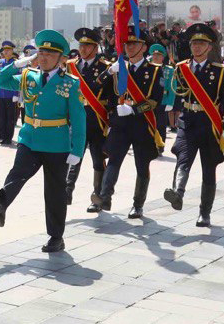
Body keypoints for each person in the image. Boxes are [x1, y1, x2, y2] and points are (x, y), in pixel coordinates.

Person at [0, 30, 85, 253]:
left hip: (56, 144)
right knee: (17, 173)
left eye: (50, 54)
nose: (44, 57)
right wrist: (18, 64)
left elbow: (79, 120)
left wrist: (77, 150)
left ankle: (56, 237)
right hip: (29, 138)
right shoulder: (28, 77)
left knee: (54, 191)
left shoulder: (70, 83)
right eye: (41, 53)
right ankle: (1, 207)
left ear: (61, 59)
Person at [164, 22, 224, 228]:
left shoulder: (220, 71)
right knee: (183, 158)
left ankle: (205, 213)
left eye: (201, 43)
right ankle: (178, 193)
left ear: (209, 47)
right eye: (194, 43)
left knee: (208, 168)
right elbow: (178, 92)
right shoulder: (182, 68)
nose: (196, 46)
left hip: (209, 124)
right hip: (188, 121)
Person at [92, 31, 165, 219]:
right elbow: (96, 86)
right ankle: (105, 196)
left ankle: (138, 204)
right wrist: (109, 71)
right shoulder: (119, 68)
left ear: (144, 47)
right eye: (127, 44)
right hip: (120, 123)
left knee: (142, 164)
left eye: (134, 44)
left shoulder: (155, 70)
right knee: (113, 159)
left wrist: (133, 110)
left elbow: (155, 100)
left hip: (142, 124)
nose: (129, 47)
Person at [65, 28, 109, 207]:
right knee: (74, 156)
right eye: (81, 45)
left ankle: (98, 197)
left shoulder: (105, 67)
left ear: (95, 48)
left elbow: (112, 97)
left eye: (87, 46)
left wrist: (112, 121)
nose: (82, 49)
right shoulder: (71, 66)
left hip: (97, 119)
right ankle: (67, 192)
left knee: (98, 159)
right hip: (77, 120)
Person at [149, 43, 176, 155]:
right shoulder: (148, 68)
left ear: (163, 57)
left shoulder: (169, 70)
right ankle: (149, 145)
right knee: (148, 123)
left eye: (159, 55)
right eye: (154, 55)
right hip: (149, 101)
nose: (156, 57)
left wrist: (170, 102)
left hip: (162, 100)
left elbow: (172, 86)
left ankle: (160, 146)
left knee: (160, 124)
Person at [0, 41, 19, 144]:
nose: (6, 52)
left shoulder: (15, 63)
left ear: (12, 51)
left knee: (10, 118)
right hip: (0, 94)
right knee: (1, 116)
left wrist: (15, 94)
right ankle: (2, 135)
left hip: (10, 94)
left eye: (8, 50)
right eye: (5, 50)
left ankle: (8, 137)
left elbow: (17, 79)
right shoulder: (0, 63)